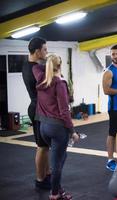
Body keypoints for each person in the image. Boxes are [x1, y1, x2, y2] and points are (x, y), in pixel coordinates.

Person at [33, 54, 79, 200]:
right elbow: (64, 111)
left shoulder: (41, 81)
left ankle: (58, 188)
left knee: (59, 159)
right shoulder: (59, 83)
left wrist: (48, 61)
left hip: (43, 127)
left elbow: (35, 66)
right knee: (57, 164)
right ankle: (54, 194)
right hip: (57, 128)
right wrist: (72, 131)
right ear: (59, 66)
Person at [22, 37, 51, 189]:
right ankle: (40, 180)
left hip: (38, 108)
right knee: (42, 146)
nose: (46, 52)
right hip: (38, 109)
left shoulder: (28, 65)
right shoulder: (36, 68)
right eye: (45, 49)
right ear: (38, 51)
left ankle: (47, 174)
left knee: (45, 145)